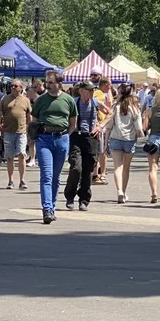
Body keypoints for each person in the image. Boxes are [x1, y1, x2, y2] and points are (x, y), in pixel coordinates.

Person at [32, 73, 77, 224]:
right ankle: (46, 209)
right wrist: (34, 135)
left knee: (56, 177)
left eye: (51, 82)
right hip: (44, 139)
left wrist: (65, 136)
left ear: (59, 83)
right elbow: (34, 120)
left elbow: (73, 123)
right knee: (47, 175)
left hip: (62, 139)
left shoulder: (68, 100)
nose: (47, 85)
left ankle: (52, 206)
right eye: (46, 82)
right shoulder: (41, 100)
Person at [101, 83, 143, 204]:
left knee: (117, 167)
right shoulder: (135, 107)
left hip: (115, 138)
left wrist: (105, 143)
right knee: (126, 168)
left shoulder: (115, 106)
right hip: (129, 139)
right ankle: (123, 192)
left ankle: (119, 190)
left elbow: (109, 126)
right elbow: (139, 128)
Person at [64, 82, 101, 211]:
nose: (91, 93)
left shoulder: (95, 102)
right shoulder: (73, 102)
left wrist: (99, 126)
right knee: (76, 168)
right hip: (76, 136)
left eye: (92, 90)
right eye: (89, 90)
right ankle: (70, 196)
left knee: (88, 170)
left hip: (90, 138)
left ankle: (84, 199)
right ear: (81, 91)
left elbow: (111, 112)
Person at [0, 80, 31, 190]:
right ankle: (10, 180)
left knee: (21, 155)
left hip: (21, 132)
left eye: (15, 86)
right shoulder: (5, 99)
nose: (13, 87)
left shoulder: (25, 100)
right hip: (8, 132)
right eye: (11, 86)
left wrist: (29, 128)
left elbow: (29, 115)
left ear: (21, 88)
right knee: (9, 157)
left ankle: (22, 180)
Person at [92, 76, 113, 184]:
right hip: (101, 125)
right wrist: (106, 113)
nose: (110, 87)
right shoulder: (99, 93)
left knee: (98, 151)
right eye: (109, 84)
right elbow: (98, 105)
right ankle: (102, 174)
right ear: (105, 85)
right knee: (102, 151)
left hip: (99, 124)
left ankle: (96, 173)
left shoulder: (98, 92)